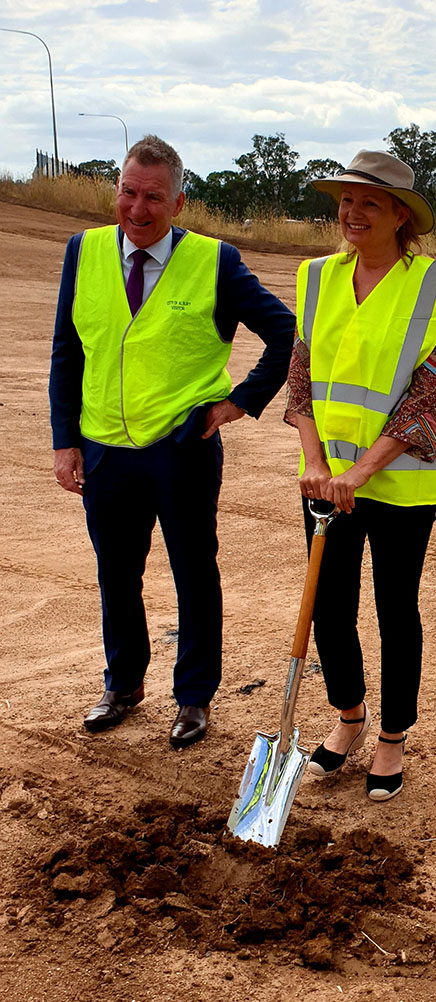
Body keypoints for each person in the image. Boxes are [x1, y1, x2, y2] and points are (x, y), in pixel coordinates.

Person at [50, 134, 295, 748]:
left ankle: (193, 698)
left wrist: (238, 402)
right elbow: (67, 353)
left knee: (193, 573)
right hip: (104, 448)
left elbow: (285, 332)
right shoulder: (83, 253)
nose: (137, 209)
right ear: (117, 190)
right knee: (116, 574)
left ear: (179, 203)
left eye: (152, 197)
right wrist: (65, 440)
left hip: (181, 449)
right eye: (128, 193)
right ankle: (123, 684)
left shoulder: (215, 261)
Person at [284, 150, 436, 801]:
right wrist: (315, 460)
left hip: (398, 485)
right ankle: (349, 720)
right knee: (328, 605)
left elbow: (431, 393)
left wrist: (361, 472)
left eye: (369, 203)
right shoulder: (315, 277)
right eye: (345, 201)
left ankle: (393, 737)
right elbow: (301, 370)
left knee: (396, 608)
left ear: (399, 216)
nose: (352, 213)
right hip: (324, 480)